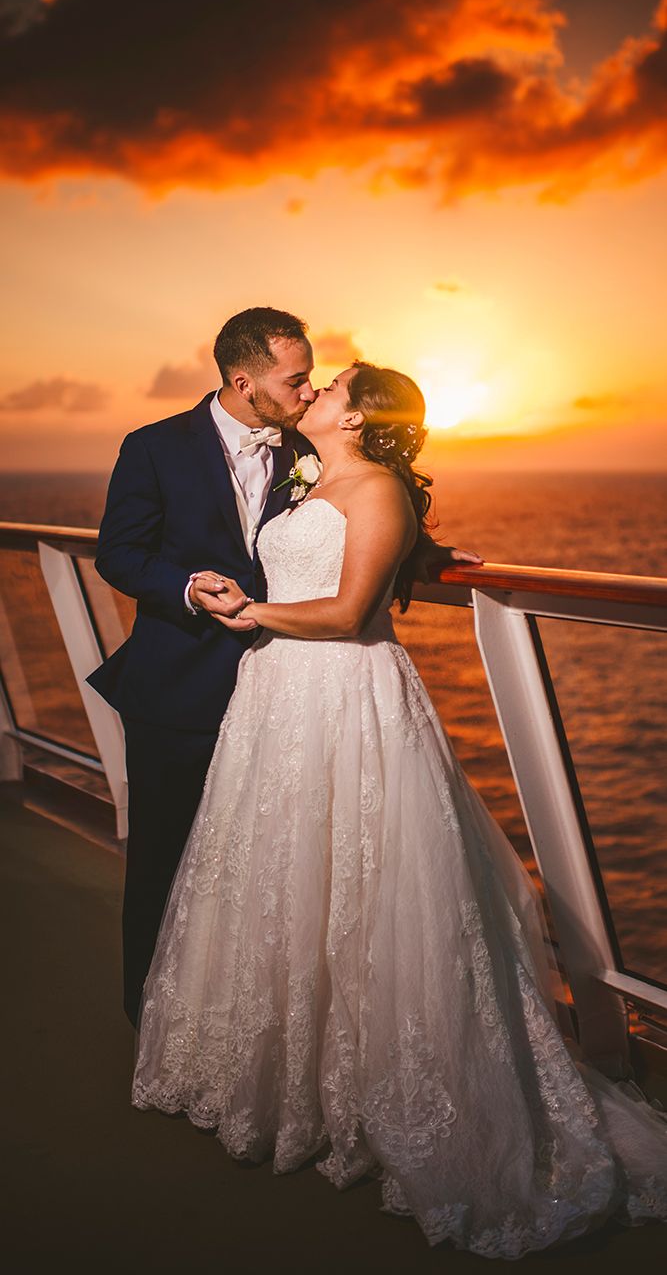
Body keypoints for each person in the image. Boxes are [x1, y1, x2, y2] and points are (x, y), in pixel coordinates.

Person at [131, 361, 667, 1257]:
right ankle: (295, 1079)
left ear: (358, 417)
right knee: (284, 873)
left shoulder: (374, 487)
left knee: (370, 878)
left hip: (345, 696)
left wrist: (256, 609)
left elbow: (346, 613)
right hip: (279, 700)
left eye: (331, 385)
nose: (315, 391)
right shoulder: (314, 480)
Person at [87, 310, 479, 1027]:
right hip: (180, 688)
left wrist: (424, 552)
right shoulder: (153, 448)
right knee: (166, 864)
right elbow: (119, 552)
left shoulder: (309, 443)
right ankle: (151, 1025)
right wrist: (185, 589)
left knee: (274, 871)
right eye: (294, 380)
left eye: (313, 379)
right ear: (244, 382)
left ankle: (271, 1028)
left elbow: (360, 507)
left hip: (288, 698)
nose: (306, 392)